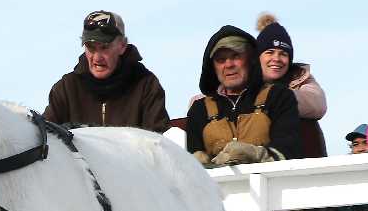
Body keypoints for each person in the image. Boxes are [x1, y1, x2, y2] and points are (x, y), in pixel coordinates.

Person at [185, 25, 301, 166]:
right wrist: (197, 162)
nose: (229, 64)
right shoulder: (199, 110)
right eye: (221, 60)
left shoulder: (279, 97)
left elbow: (290, 152)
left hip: (271, 186)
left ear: (251, 59)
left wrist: (255, 154)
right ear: (212, 67)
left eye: (236, 56)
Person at [44, 10, 169, 132]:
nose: (97, 58)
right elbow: (46, 136)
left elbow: (158, 142)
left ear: (122, 46)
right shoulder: (66, 88)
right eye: (91, 48)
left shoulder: (146, 85)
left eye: (105, 47)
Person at [256, 13, 327, 157]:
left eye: (283, 54)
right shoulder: (243, 82)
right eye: (270, 52)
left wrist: (274, 96)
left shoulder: (299, 78)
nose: (276, 59)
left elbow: (317, 105)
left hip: (301, 160)